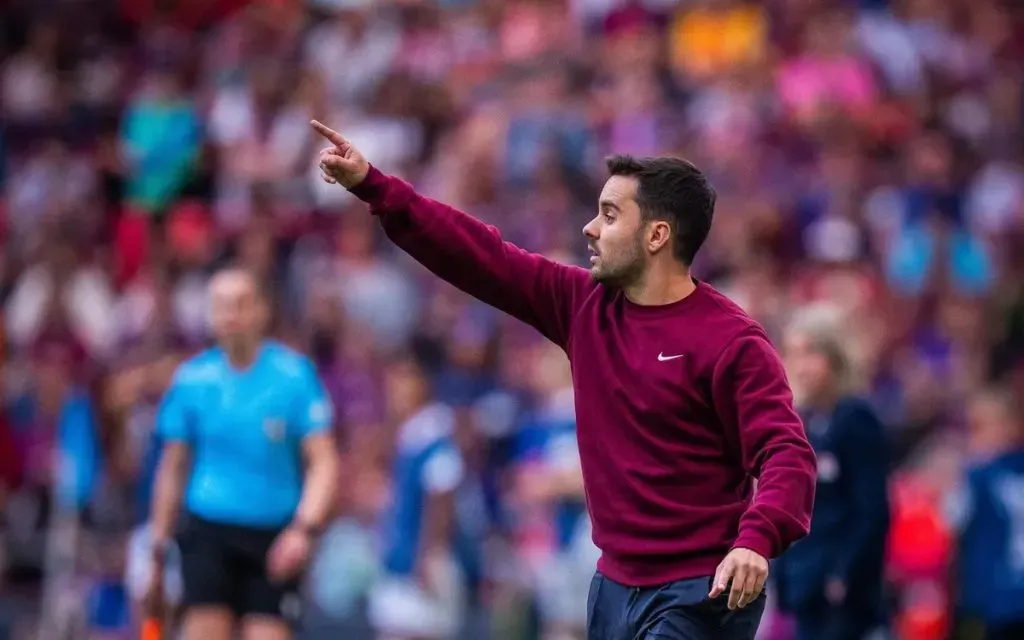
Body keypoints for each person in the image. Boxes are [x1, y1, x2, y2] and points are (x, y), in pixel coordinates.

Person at [312, 120, 817, 640]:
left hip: (700, 589)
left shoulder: (731, 341)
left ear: (657, 235)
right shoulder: (583, 306)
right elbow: (479, 256)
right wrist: (374, 186)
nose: (590, 229)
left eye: (610, 215)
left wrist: (756, 540)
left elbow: (786, 451)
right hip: (612, 586)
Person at [143, 267, 341, 640]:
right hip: (207, 530)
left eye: (240, 304)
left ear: (262, 311)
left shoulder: (295, 377)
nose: (230, 315)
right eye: (220, 306)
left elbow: (324, 461)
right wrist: (157, 545)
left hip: (274, 536)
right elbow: (172, 468)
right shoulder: (192, 380)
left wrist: (304, 530)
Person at [774, 305, 891, 640]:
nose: (799, 366)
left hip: (841, 595)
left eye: (810, 353)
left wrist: (844, 573)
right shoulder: (803, 423)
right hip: (805, 583)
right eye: (792, 353)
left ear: (835, 358)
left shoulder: (857, 420)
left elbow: (872, 511)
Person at [368, 356, 466, 640]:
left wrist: (429, 557)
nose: (395, 392)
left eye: (403, 383)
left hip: (419, 565)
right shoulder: (408, 436)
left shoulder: (434, 437)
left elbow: (442, 499)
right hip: (401, 559)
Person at [947, 387, 1024, 640]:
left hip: (991, 599)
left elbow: (950, 521)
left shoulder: (977, 477)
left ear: (1011, 426)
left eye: (979, 428)